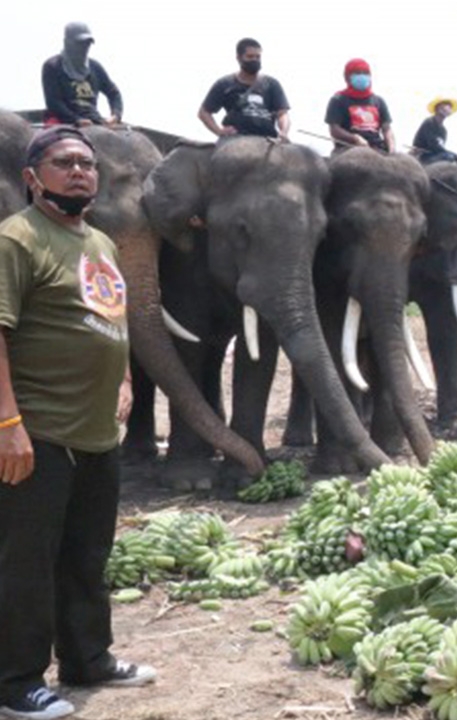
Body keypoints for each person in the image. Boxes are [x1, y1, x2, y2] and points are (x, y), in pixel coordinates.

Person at [0, 127, 155, 720]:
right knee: (27, 562)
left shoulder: (100, 243)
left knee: (87, 554)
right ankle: (15, 683)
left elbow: (107, 320)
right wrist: (8, 422)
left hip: (95, 434)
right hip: (35, 433)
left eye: (88, 164)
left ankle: (88, 658)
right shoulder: (17, 240)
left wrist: (124, 380)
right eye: (63, 163)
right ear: (32, 177)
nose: (80, 172)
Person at [197, 38, 290, 140]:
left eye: (258, 57)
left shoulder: (272, 84)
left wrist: (283, 132)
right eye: (250, 57)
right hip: (235, 140)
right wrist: (219, 131)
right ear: (239, 58)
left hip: (267, 140)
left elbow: (282, 114)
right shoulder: (224, 84)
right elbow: (204, 113)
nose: (254, 60)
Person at [41, 22, 123, 128]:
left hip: (93, 120)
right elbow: (54, 102)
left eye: (87, 44)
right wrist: (76, 119)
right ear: (67, 43)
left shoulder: (95, 67)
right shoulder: (52, 66)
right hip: (62, 120)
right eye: (79, 44)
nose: (84, 48)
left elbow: (114, 93)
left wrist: (115, 115)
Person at [325, 58, 396, 153]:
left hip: (377, 149)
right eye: (357, 73)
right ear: (347, 77)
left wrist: (391, 147)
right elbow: (334, 129)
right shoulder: (338, 100)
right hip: (348, 149)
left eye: (365, 73)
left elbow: (386, 128)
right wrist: (355, 138)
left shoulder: (378, 101)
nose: (362, 76)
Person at [412, 97, 457, 164]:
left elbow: (441, 148)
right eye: (446, 105)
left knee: (449, 158)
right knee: (448, 157)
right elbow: (434, 146)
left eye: (450, 107)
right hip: (423, 155)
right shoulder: (429, 122)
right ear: (438, 108)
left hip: (435, 155)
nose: (448, 108)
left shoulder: (443, 130)